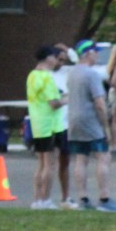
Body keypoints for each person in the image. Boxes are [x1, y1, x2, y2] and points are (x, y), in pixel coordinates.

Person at [67, 40, 116, 211]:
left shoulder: (72, 73)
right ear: (88, 54)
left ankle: (83, 198)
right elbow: (99, 103)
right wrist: (106, 126)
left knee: (81, 158)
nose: (97, 55)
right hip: (90, 120)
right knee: (103, 156)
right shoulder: (91, 75)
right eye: (95, 51)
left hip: (74, 120)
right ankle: (104, 198)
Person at [26, 45, 66, 209]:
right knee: (50, 164)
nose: (56, 60)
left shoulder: (32, 75)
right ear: (48, 58)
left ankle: (37, 199)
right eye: (55, 57)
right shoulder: (47, 78)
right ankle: (46, 199)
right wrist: (67, 99)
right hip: (51, 125)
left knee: (41, 164)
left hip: (38, 124)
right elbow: (54, 103)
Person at [51, 43, 78, 207]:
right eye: (58, 59)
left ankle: (65, 196)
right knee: (48, 163)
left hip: (65, 123)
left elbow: (78, 63)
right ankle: (43, 197)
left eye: (63, 60)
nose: (61, 63)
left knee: (65, 162)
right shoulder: (45, 75)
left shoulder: (66, 72)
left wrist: (68, 50)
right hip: (49, 123)